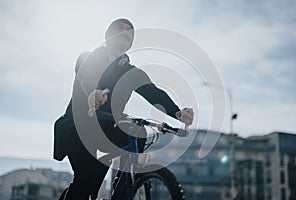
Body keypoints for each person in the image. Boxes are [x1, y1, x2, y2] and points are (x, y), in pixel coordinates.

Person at [58, 18, 194, 200]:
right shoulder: (89, 57)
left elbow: (153, 92)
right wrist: (92, 92)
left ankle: (126, 182)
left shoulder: (130, 72)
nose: (126, 32)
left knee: (138, 132)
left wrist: (176, 112)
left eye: (130, 31)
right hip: (79, 126)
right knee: (86, 180)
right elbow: (86, 73)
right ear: (108, 36)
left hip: (108, 127)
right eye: (120, 28)